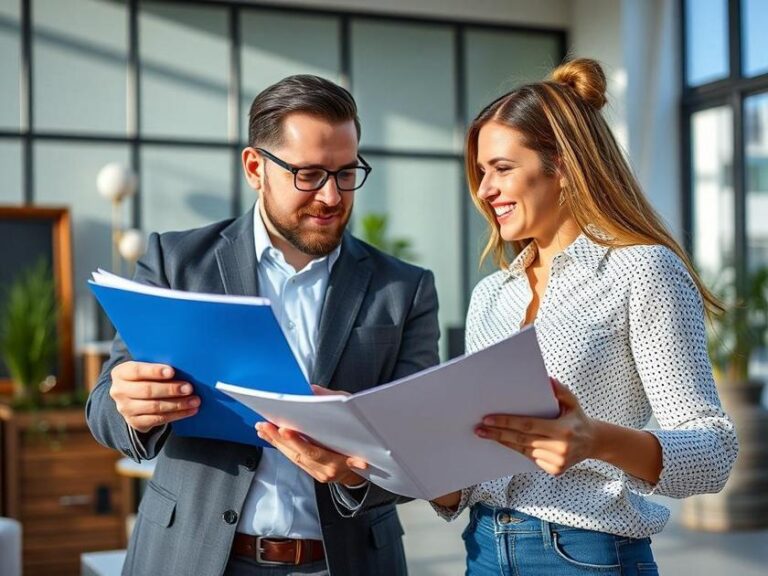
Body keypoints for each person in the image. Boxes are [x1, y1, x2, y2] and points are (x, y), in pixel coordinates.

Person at [86, 75, 440, 576]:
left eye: (346, 173)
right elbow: (104, 409)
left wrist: (356, 474)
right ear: (256, 167)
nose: (332, 196)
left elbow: (424, 447)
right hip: (192, 557)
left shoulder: (404, 288)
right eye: (310, 174)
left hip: (345, 562)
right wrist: (132, 408)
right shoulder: (177, 263)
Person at [430, 58, 738, 575]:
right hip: (482, 548)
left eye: (502, 168)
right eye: (482, 172)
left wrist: (594, 440)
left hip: (583, 555)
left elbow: (714, 452)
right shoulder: (490, 295)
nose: (484, 190)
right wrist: (401, 458)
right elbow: (475, 469)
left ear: (564, 166)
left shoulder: (640, 270)